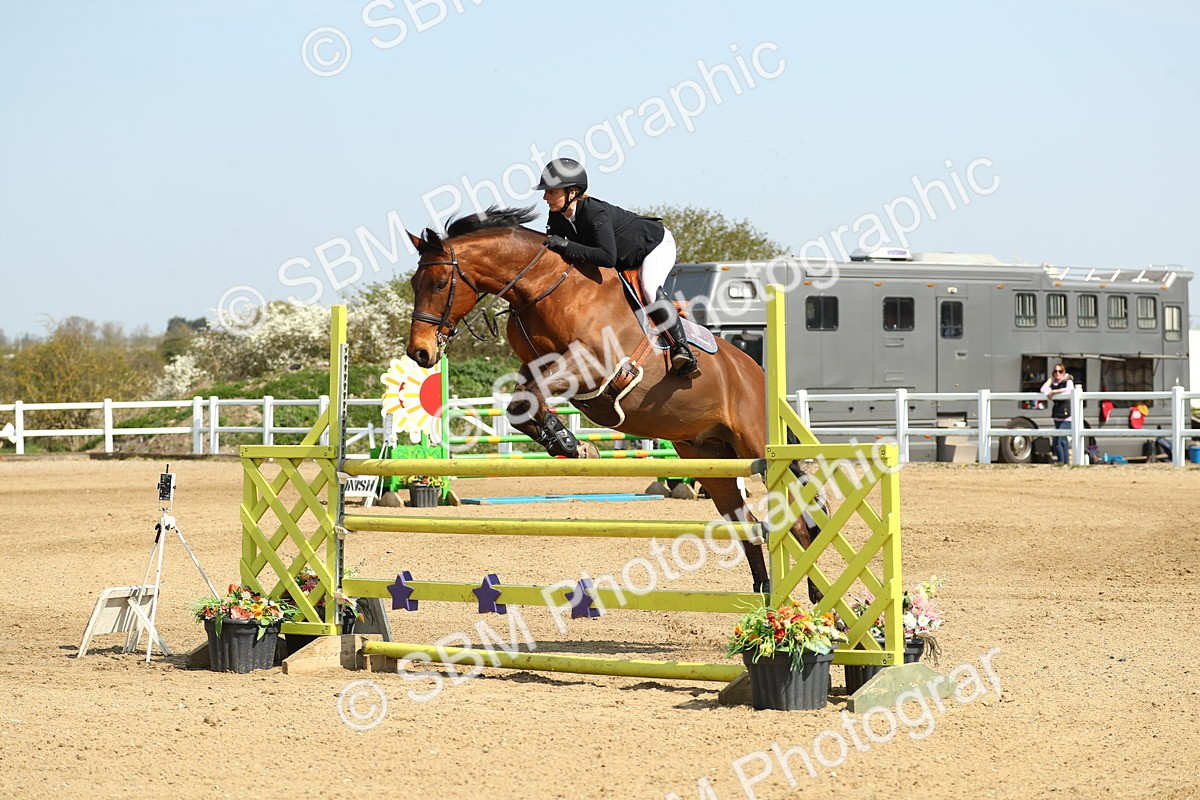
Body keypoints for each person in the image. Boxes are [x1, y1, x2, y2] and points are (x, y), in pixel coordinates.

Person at [536, 157, 700, 379]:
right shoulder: (556, 216)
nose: (545, 197)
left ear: (572, 192)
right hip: (624, 257)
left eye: (551, 192)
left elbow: (607, 257)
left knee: (650, 288)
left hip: (653, 247)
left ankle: (682, 349)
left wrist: (565, 245)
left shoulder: (594, 213)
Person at [1040, 363, 1074, 464]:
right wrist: (1050, 379)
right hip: (1057, 415)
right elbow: (1043, 390)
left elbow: (1069, 390)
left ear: (1064, 372)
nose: (1057, 373)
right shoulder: (1053, 383)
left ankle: (1062, 462)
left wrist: (1054, 392)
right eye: (1055, 371)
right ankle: (1064, 463)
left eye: (1060, 371)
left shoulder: (1068, 381)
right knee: (1060, 441)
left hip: (1067, 416)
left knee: (1060, 440)